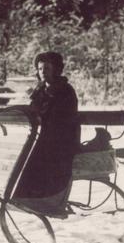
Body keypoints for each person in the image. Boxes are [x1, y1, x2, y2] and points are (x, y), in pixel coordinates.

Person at [12, 51, 80, 215]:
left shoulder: (65, 91)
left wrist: (41, 114)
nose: (43, 71)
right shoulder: (41, 89)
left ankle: (44, 199)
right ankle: (22, 196)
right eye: (40, 68)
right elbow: (34, 111)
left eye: (47, 68)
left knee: (39, 156)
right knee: (22, 154)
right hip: (44, 136)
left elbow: (60, 119)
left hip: (62, 140)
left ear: (56, 69)